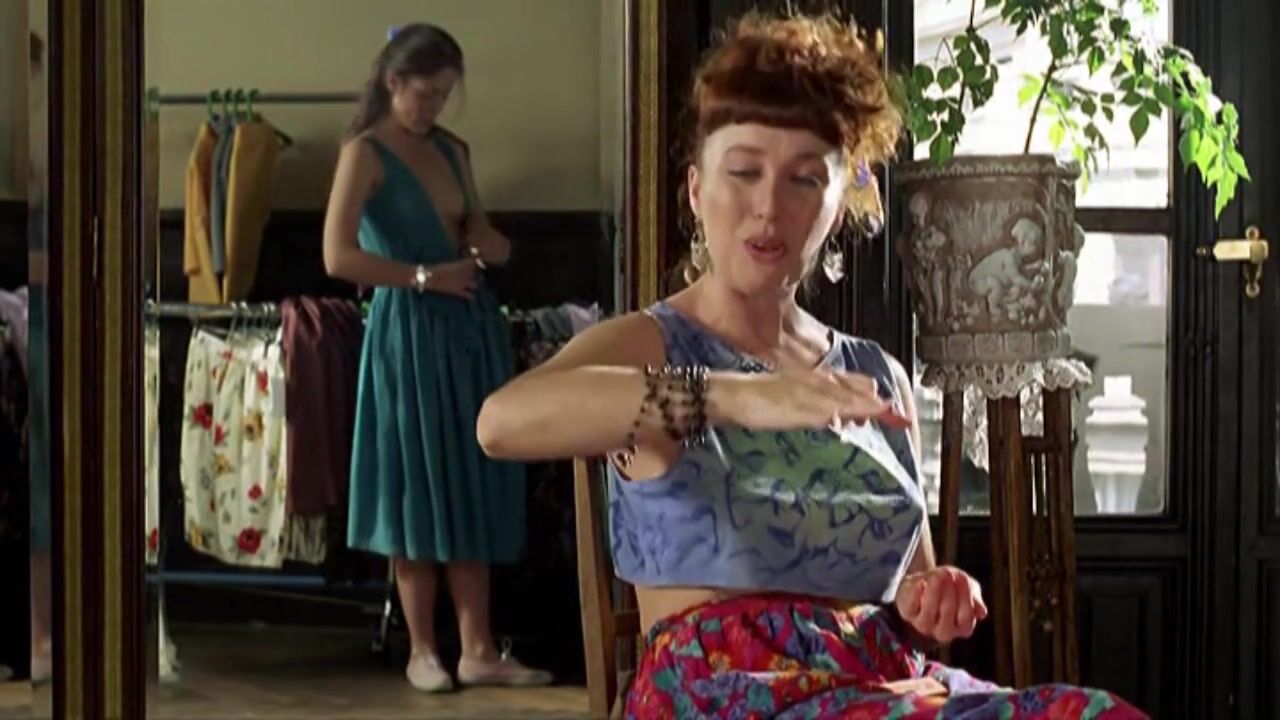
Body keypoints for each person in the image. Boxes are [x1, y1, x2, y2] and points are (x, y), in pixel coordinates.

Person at [475, 12, 1146, 719]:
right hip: (726, 693)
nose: (768, 206)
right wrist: (737, 397)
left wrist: (933, 598)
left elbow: (916, 607)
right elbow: (501, 423)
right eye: (743, 172)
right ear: (697, 190)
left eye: (803, 179)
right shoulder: (657, 344)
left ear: (840, 199)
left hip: (881, 686)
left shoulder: (875, 374)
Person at [323, 23, 550, 693]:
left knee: (473, 479)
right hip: (408, 330)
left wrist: (487, 245)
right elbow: (337, 256)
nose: (433, 107)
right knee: (415, 482)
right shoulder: (363, 153)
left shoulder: (453, 149)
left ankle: (478, 648)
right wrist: (422, 277)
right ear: (393, 82)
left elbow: (476, 232)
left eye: (444, 95)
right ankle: (422, 649)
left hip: (468, 326)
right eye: (424, 93)